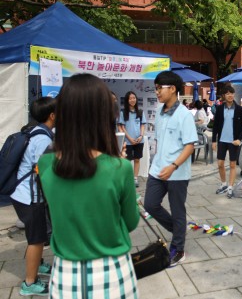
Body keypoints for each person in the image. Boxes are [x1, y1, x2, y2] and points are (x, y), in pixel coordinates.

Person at [37, 74, 139, 299]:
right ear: (103, 115)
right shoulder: (119, 168)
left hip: (64, 275)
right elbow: (131, 221)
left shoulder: (45, 165)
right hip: (113, 273)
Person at [143, 71, 197, 267]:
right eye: (156, 88)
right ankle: (178, 229)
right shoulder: (158, 111)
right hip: (157, 169)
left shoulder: (184, 115)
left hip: (177, 173)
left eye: (160, 88)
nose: (157, 92)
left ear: (172, 89)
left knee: (178, 210)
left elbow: (190, 145)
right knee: (150, 204)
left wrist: (174, 166)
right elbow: (159, 140)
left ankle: (178, 249)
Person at [10, 97, 55, 296]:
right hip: (31, 197)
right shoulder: (43, 138)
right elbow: (43, 171)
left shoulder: (32, 130)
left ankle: (39, 264)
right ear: (52, 115)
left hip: (21, 194)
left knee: (35, 234)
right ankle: (29, 283)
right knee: (36, 239)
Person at [212, 85, 242, 196]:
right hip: (222, 140)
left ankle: (231, 187)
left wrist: (239, 139)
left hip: (233, 141)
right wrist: (214, 140)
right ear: (223, 95)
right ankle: (223, 184)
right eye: (228, 93)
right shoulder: (219, 109)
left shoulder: (239, 109)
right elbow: (216, 126)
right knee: (220, 163)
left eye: (232, 93)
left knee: (232, 165)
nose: (230, 95)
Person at [118, 91, 146, 187]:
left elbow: (142, 125)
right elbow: (122, 127)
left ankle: (135, 179)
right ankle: (127, 179)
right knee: (127, 161)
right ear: (127, 100)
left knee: (137, 159)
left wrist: (141, 136)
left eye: (134, 98)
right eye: (130, 98)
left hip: (139, 141)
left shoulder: (140, 112)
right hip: (128, 141)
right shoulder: (123, 112)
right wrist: (129, 138)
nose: (132, 100)